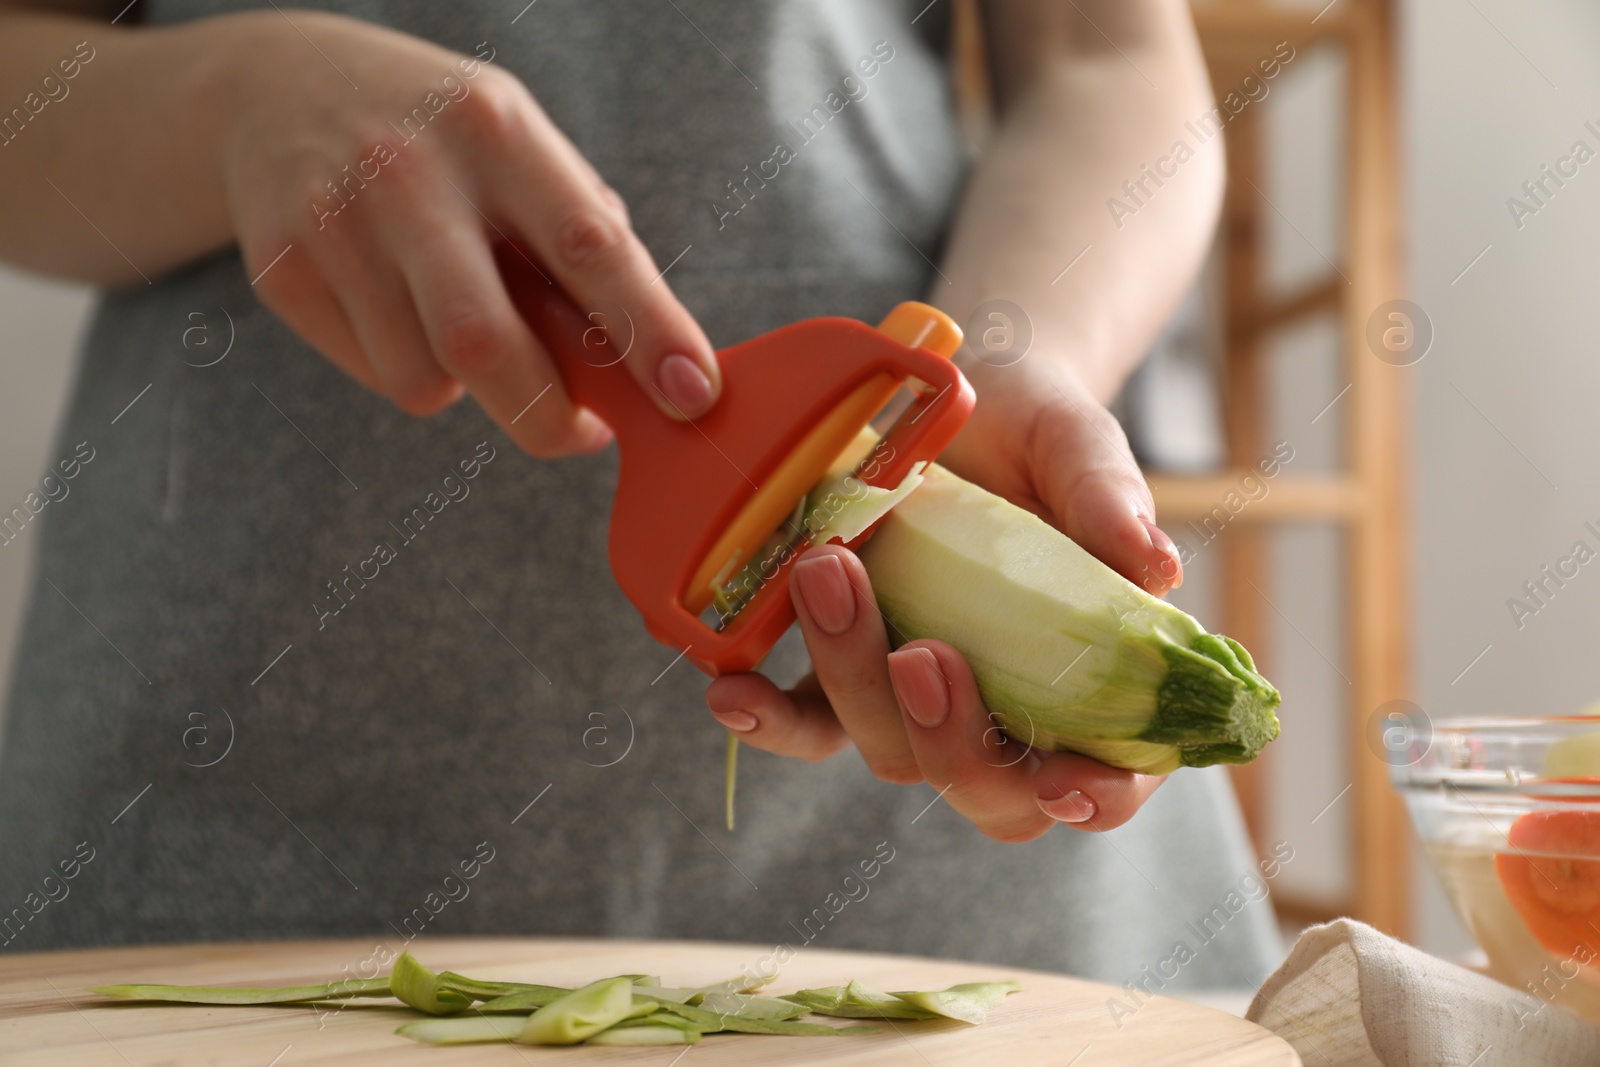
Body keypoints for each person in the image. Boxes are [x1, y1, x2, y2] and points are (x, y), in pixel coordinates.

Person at [0, 0, 1279, 987]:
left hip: (929, 857)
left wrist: (1013, 347)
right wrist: (229, 101)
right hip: (230, 804)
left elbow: (1105, 59)